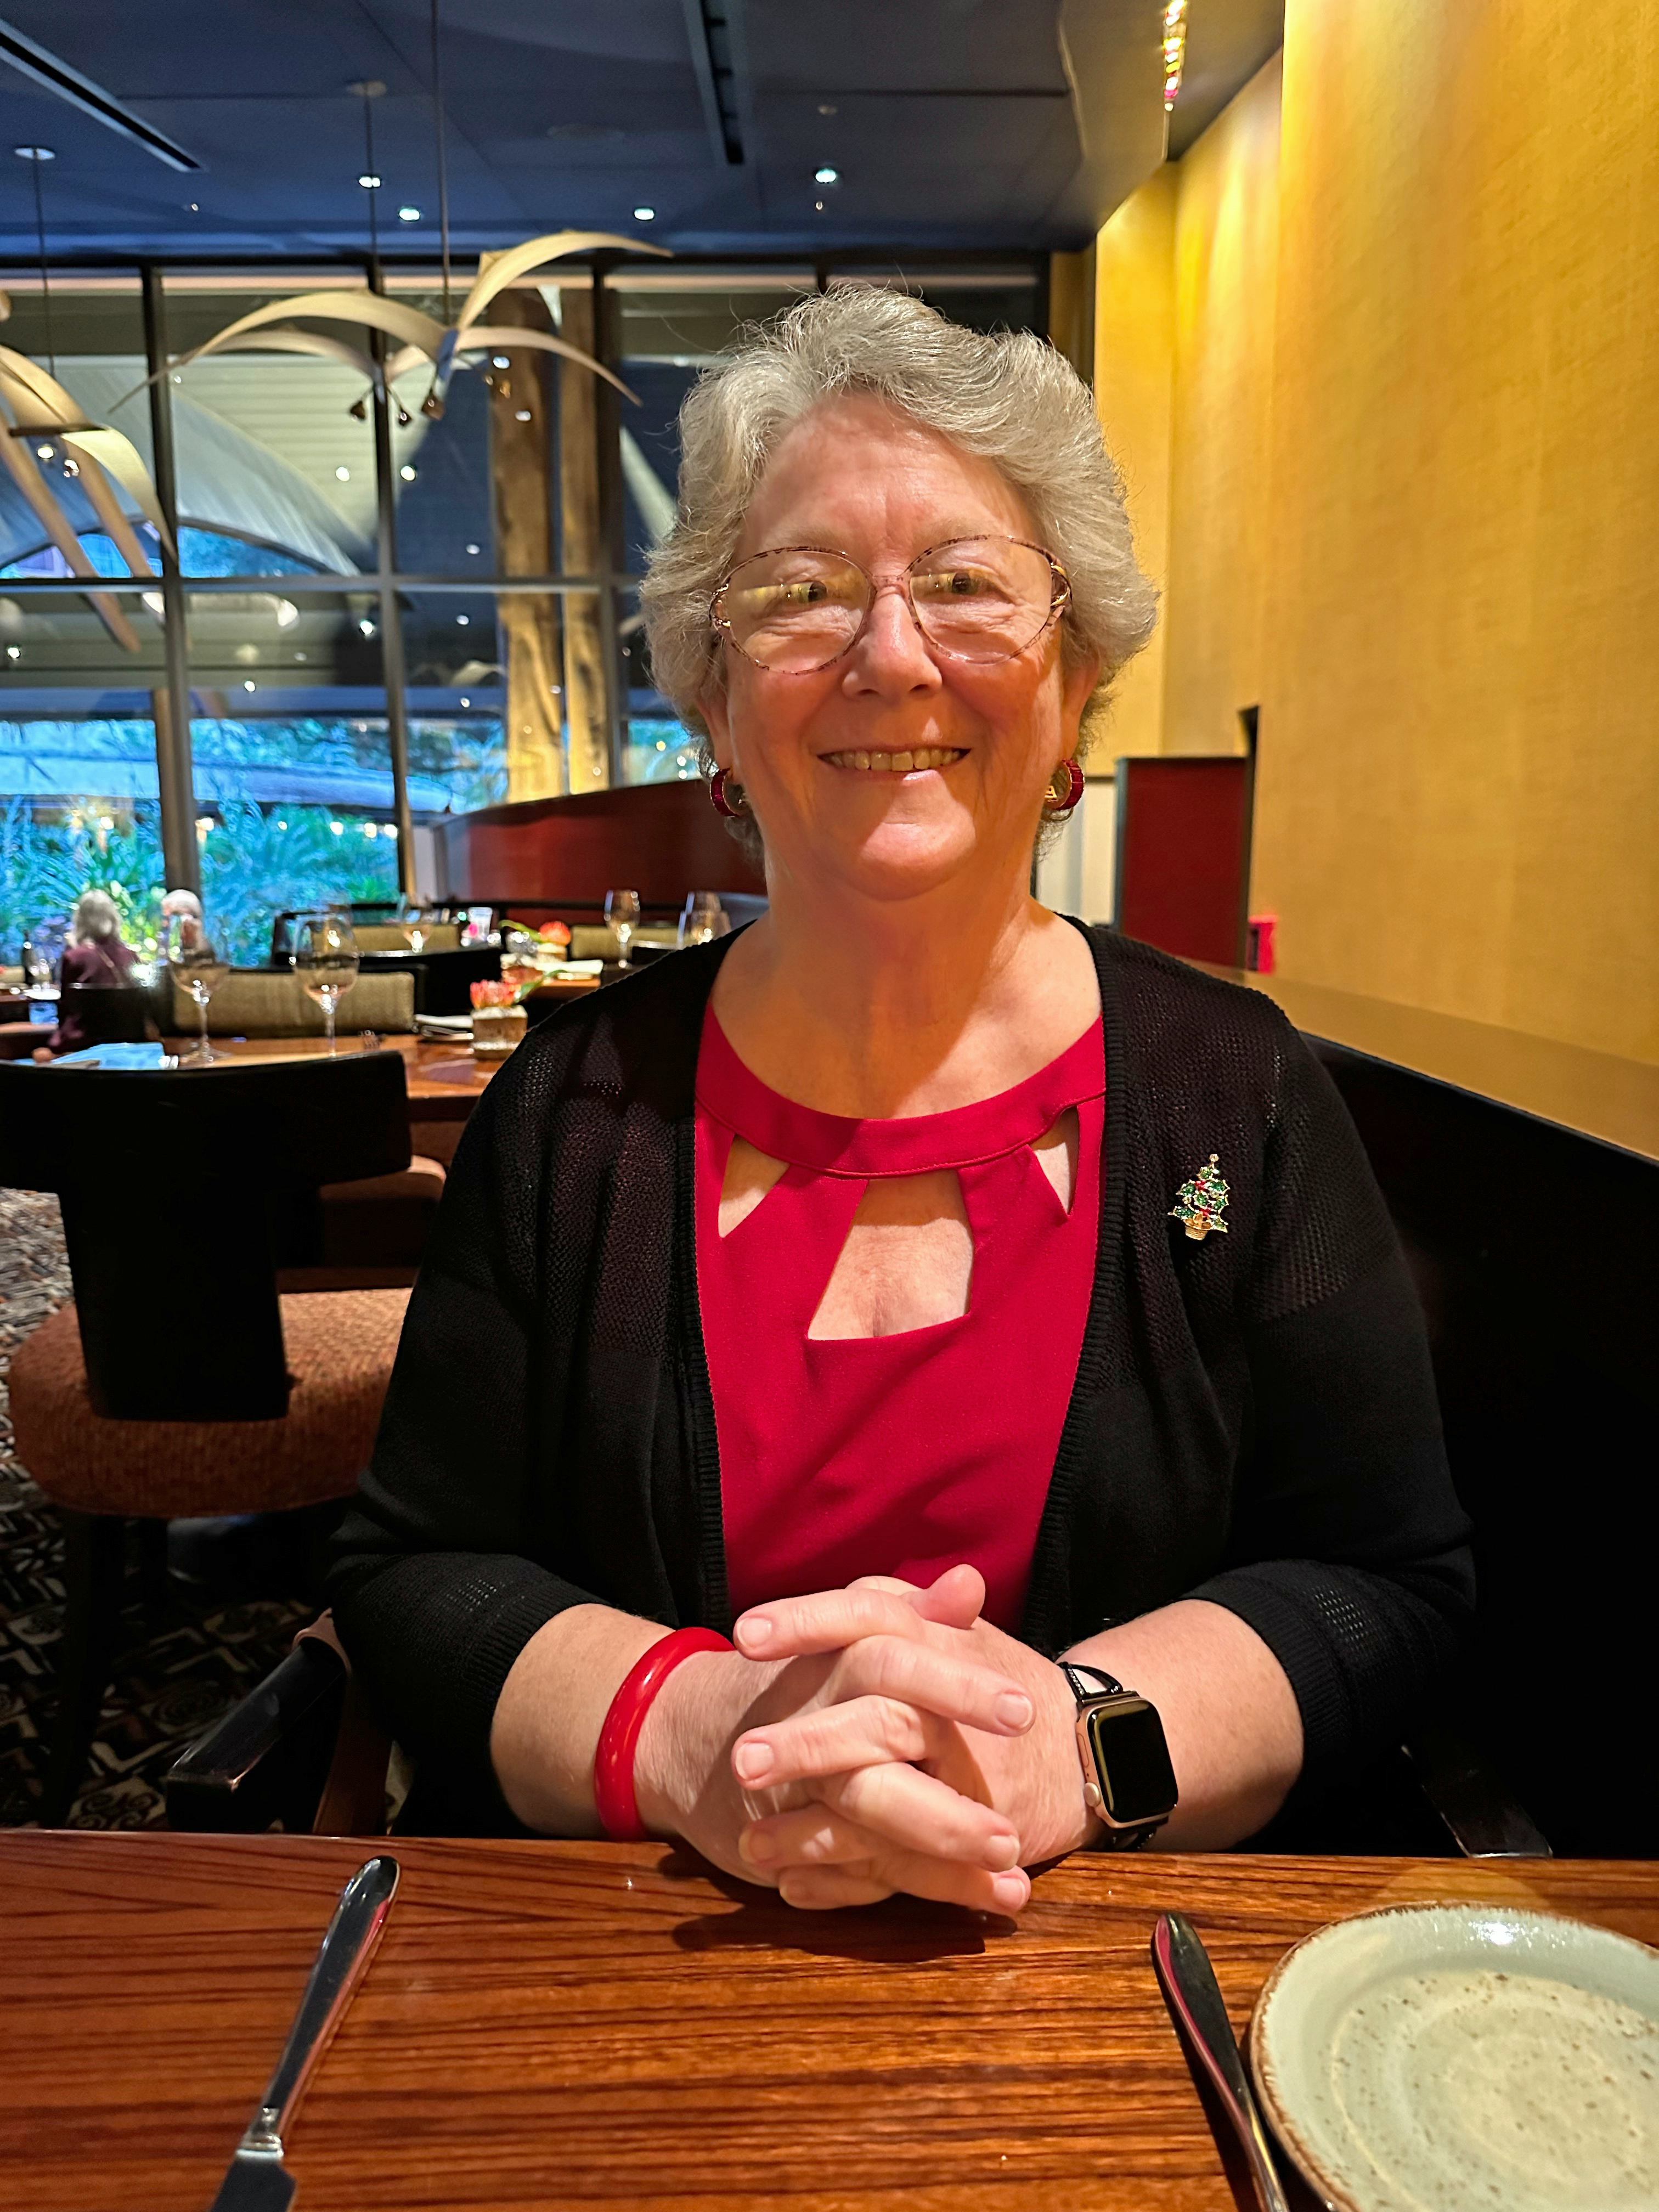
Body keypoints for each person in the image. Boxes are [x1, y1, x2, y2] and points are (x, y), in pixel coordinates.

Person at [328, 290, 1472, 1913]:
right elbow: (412, 1574)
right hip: (641, 1963)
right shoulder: (572, 1109)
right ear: (716, 703)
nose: (888, 655)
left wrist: (1068, 1749)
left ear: (1074, 681)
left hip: (1102, 1961)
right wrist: (696, 1733)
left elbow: (1383, 1582)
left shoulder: (1240, 1091)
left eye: (964, 584)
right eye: (800, 592)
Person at [49, 889, 139, 1056]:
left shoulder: (74, 957)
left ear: (80, 920)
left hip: (81, 1046)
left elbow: (65, 1009)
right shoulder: (131, 956)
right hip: (130, 1044)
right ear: (114, 918)